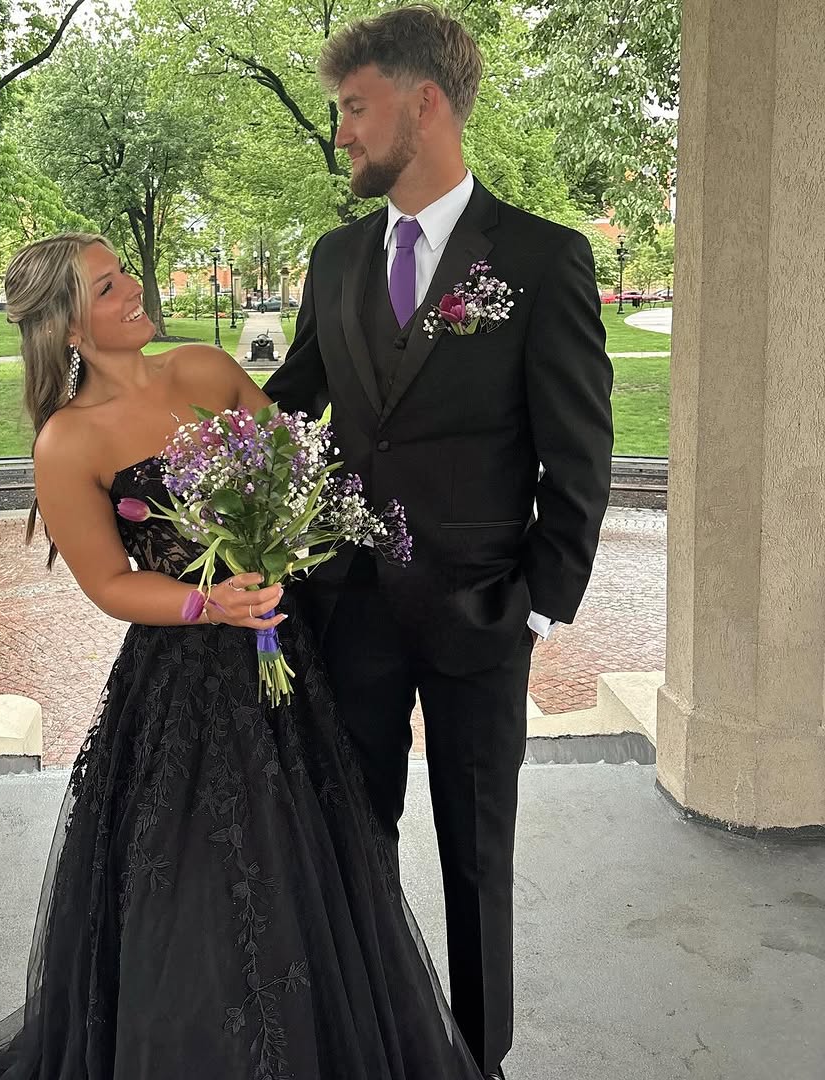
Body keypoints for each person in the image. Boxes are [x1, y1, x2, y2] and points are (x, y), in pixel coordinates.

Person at [0, 232, 484, 1080]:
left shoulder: (206, 371)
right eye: (108, 286)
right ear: (70, 326)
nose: (133, 288)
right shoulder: (68, 443)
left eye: (124, 273)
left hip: (286, 659)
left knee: (308, 862)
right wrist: (208, 603)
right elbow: (109, 582)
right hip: (184, 684)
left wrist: (285, 540)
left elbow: (296, 468)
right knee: (203, 886)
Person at [265, 7, 614, 1078]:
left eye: (354, 109)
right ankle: (375, 1041)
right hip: (348, 609)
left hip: (480, 612)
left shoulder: (542, 258)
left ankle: (480, 1057)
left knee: (477, 855)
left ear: (424, 105)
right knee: (354, 841)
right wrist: (138, 424)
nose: (340, 134)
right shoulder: (334, 258)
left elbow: (579, 451)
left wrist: (537, 606)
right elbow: (286, 410)